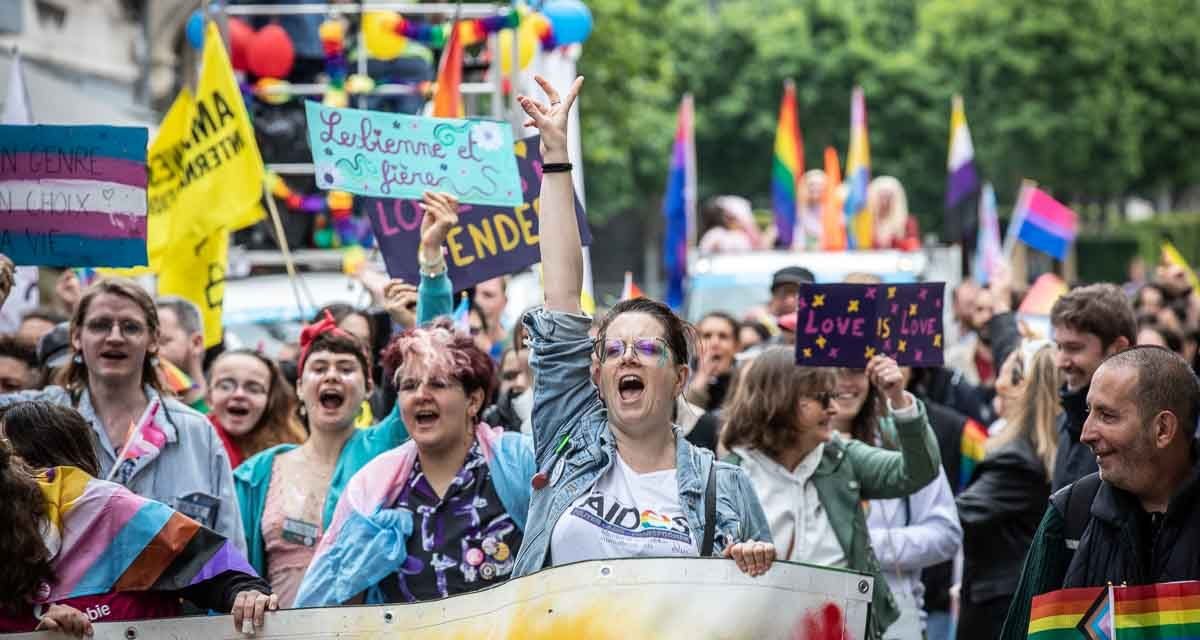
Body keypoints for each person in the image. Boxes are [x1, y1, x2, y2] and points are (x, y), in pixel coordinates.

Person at [511, 75, 776, 579]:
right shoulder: (567, 439)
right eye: (613, 351)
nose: (627, 358)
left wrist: (751, 565)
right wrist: (555, 157)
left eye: (647, 348)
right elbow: (562, 296)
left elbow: (762, 609)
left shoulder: (726, 487)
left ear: (679, 377)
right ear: (596, 375)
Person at [233, 191, 456, 606]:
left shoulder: (388, 448)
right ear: (299, 387)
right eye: (319, 368)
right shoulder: (255, 475)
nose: (332, 375)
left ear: (368, 386)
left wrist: (430, 257)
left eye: (346, 368)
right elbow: (232, 572)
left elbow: (436, 357)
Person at [294, 320, 536, 606]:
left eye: (438, 383)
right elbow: (331, 603)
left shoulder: (520, 463)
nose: (421, 394)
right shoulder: (372, 487)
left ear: (473, 400)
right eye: (409, 385)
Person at [0, 275, 246, 552]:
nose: (115, 337)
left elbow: (230, 549)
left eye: (130, 327)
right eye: (100, 325)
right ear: (76, 337)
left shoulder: (196, 432)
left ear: (153, 339)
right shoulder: (31, 421)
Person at [0, 401, 275, 635]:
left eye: (6, 459)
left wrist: (246, 596)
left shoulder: (113, 513)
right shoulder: (7, 532)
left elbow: (222, 574)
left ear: (37, 466)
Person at [722, 350, 942, 640]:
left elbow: (919, 470)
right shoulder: (730, 475)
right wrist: (734, 556)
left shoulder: (840, 457)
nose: (834, 409)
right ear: (781, 401)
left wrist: (899, 399)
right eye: (822, 398)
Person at [1001, 346, 1200, 639]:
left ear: (1163, 429)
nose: (1086, 433)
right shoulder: (1070, 515)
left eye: (1107, 416)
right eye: (1088, 412)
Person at [823, 357, 956, 639]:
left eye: (856, 370)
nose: (845, 381)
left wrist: (864, 545)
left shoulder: (906, 443)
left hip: (894, 623)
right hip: (815, 618)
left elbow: (946, 534)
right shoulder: (795, 450)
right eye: (833, 370)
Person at [955, 340, 1059, 639]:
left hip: (998, 606)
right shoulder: (1030, 449)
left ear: (1023, 388)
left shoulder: (1016, 457)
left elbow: (959, 515)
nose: (997, 384)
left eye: (1007, 373)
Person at [1046, 283, 1136, 490]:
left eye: (1074, 348)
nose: (1060, 361)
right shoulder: (1067, 421)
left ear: (1118, 348)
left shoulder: (1136, 435)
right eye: (1059, 347)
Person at [207, 348, 306, 469]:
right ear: (209, 397)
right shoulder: (191, 444)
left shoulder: (288, 452)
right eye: (226, 386)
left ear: (269, 400)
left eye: (253, 389)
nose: (239, 394)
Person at [156, 296, 209, 412]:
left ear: (196, 343)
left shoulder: (223, 416)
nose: (150, 351)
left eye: (161, 342)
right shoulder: (142, 414)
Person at [686, 311, 739, 411]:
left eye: (723, 336)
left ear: (736, 346)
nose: (714, 343)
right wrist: (700, 381)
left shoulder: (744, 385)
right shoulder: (679, 380)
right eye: (707, 336)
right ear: (696, 345)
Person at [793, 169, 826, 251]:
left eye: (819, 184)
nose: (816, 188)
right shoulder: (795, 210)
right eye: (812, 184)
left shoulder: (833, 211)